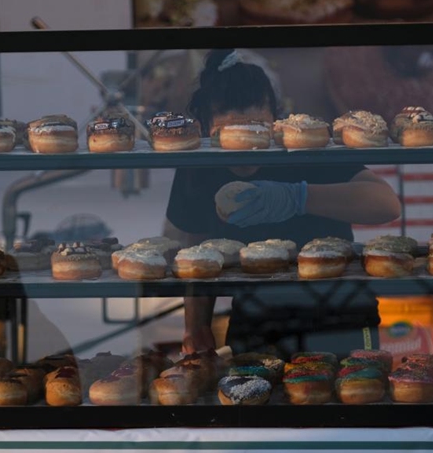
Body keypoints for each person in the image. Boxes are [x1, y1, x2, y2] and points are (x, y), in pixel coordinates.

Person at [164, 49, 402, 359]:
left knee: (348, 399)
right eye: (227, 135)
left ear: (276, 121)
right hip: (256, 317)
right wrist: (195, 325)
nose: (245, 146)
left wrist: (297, 197)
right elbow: (197, 252)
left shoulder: (306, 148)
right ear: (207, 129)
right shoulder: (198, 167)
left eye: (256, 130)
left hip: (341, 313)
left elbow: (386, 204)